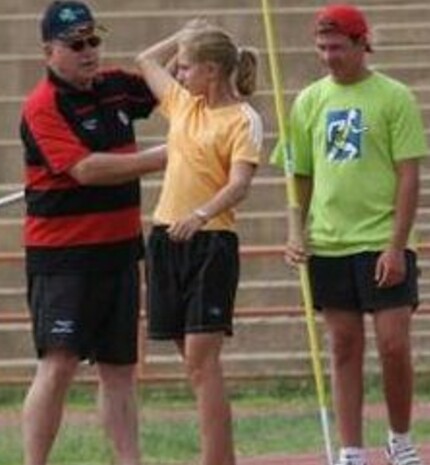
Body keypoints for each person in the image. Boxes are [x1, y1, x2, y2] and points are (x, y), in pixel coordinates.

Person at [277, 4, 429, 465]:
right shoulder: (308, 101)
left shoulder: (394, 97)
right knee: (343, 344)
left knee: (392, 343)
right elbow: (297, 173)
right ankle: (350, 449)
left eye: (337, 47)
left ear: (362, 44)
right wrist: (294, 231)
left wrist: (396, 245)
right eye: (321, 48)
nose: (328, 57)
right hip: (329, 241)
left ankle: (400, 438)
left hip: (381, 239)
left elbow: (408, 175)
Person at [18, 2, 166, 464]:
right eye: (75, 44)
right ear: (49, 52)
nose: (88, 52)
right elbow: (86, 169)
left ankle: (129, 460)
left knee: (120, 369)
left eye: (94, 40)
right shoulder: (43, 106)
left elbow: (168, 78)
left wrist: (192, 39)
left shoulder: (116, 88)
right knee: (59, 365)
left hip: (120, 253)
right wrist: (164, 156)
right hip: (66, 259)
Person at [136, 20, 262, 465]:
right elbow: (145, 61)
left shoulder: (242, 119)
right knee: (192, 363)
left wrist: (201, 213)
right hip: (167, 237)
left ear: (211, 71)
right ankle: (223, 454)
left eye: (187, 67)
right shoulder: (183, 104)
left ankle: (216, 459)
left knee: (201, 359)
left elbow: (240, 184)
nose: (179, 73)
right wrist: (184, 34)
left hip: (210, 241)